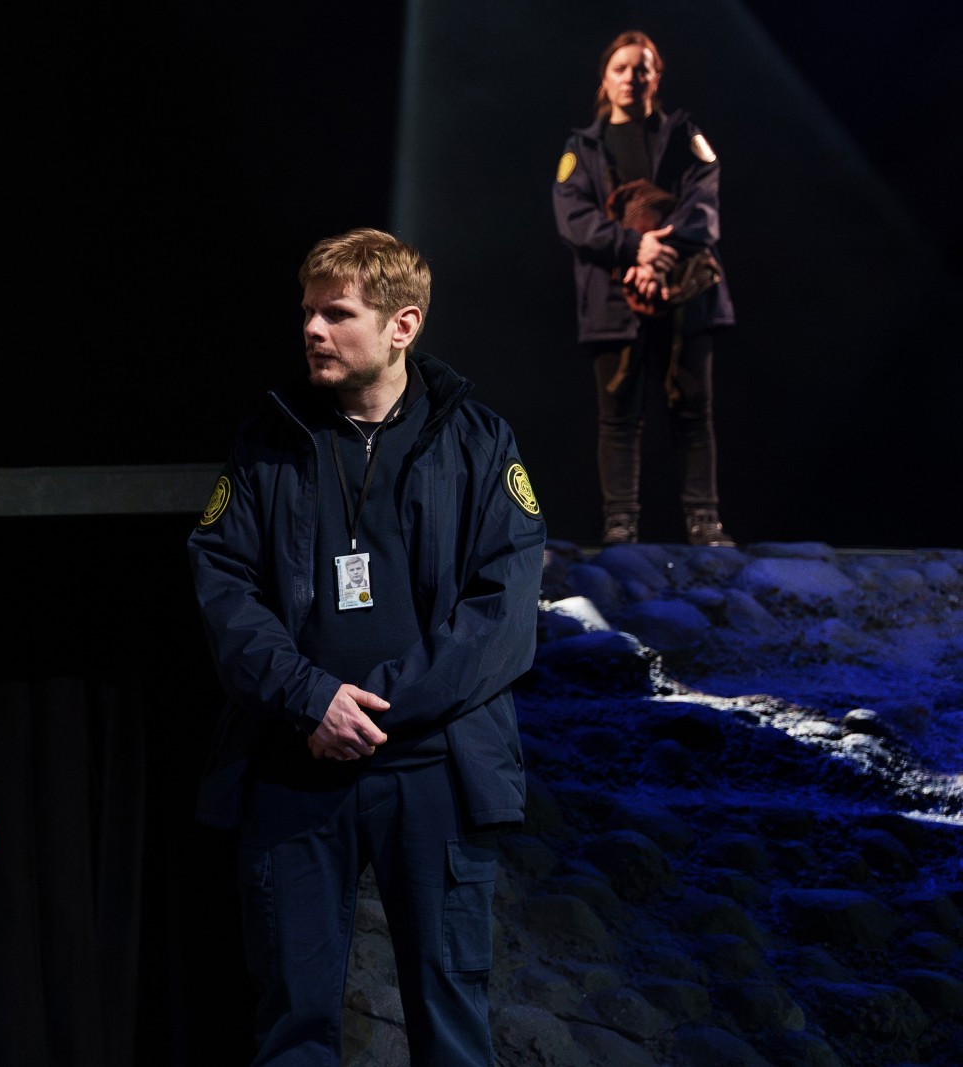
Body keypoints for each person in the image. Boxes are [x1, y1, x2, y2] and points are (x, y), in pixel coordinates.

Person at [188, 228, 545, 1065]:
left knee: (450, 1020)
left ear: (402, 325)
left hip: (437, 770)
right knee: (292, 1022)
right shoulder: (269, 440)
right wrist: (312, 698)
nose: (312, 329)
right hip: (294, 761)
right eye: (308, 311)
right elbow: (223, 587)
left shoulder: (480, 442)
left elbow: (501, 614)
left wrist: (378, 707)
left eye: (337, 313)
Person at [553, 29, 737, 546]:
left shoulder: (684, 136)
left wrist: (660, 252)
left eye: (643, 68)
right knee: (618, 416)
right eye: (621, 68)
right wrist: (637, 249)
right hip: (612, 298)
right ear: (605, 79)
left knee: (693, 410)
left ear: (657, 77)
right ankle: (621, 524)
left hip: (687, 293)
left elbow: (703, 205)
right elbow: (573, 218)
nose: (631, 77)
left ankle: (705, 522)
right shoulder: (582, 148)